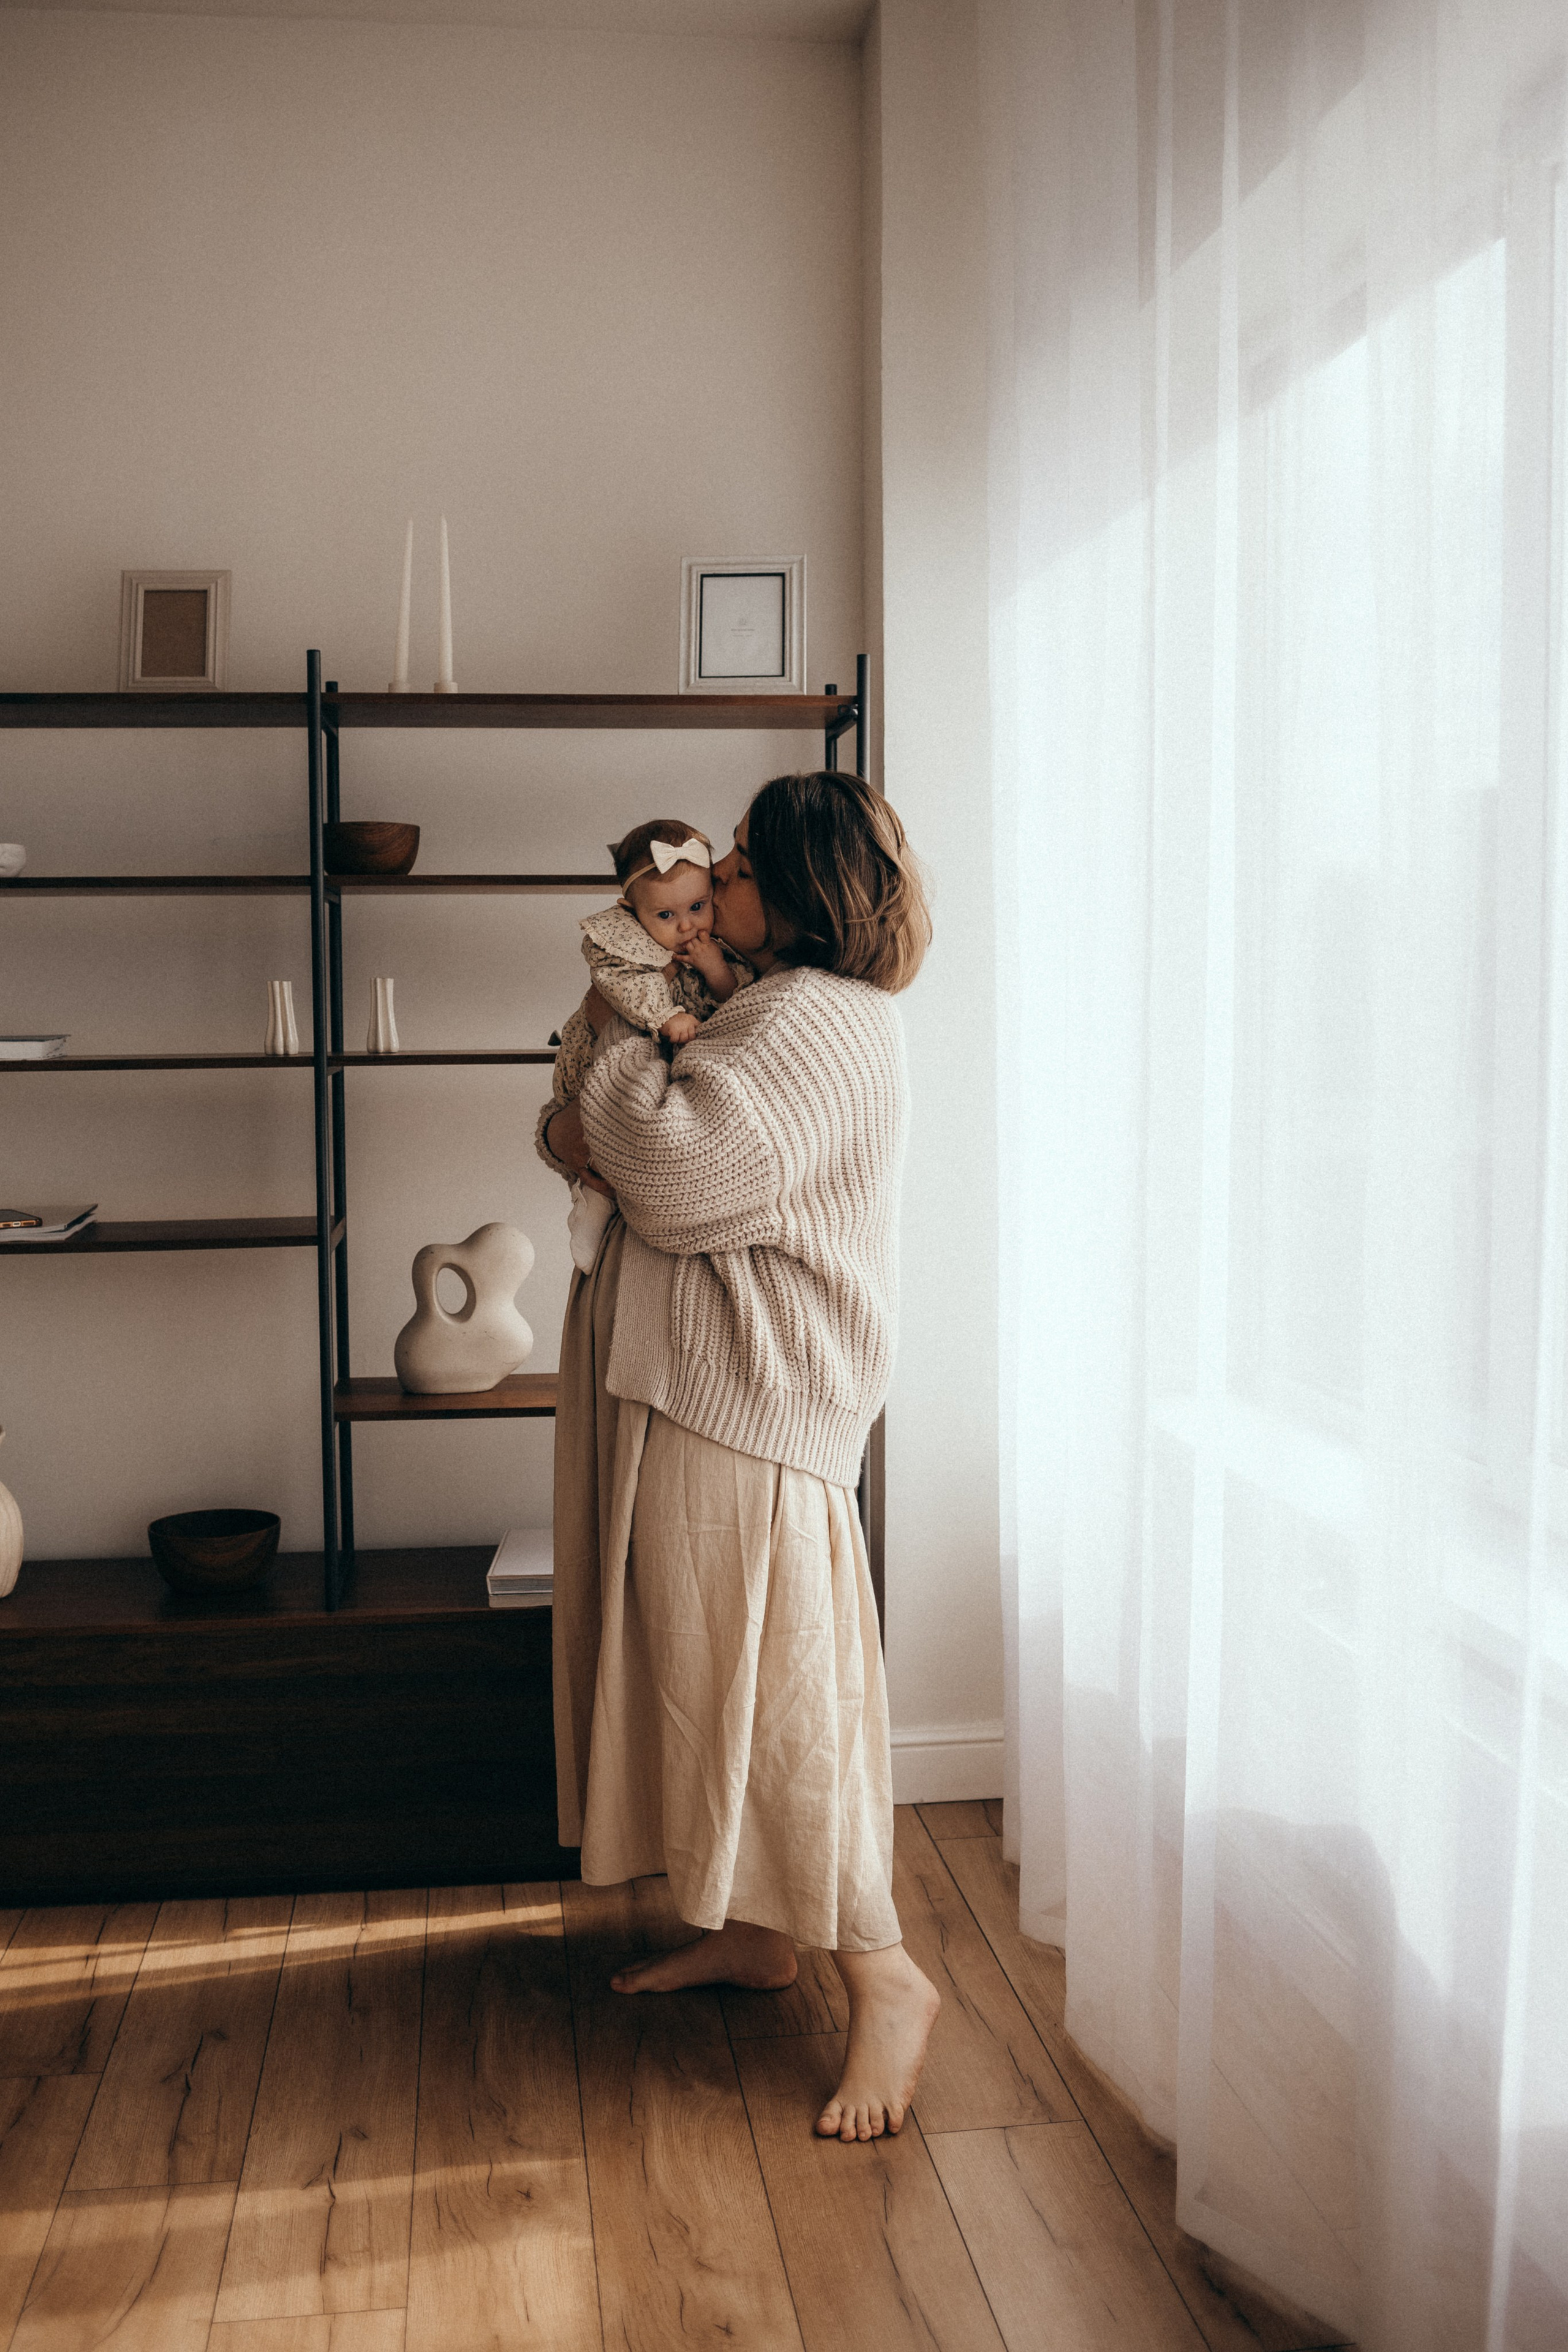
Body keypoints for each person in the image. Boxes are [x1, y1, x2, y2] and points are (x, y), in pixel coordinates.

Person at [537, 768, 939, 2143]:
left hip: (749, 1403)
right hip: (706, 1389)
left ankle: (885, 1978)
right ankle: (759, 1932)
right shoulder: (758, 1010)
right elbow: (602, 1142)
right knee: (707, 1680)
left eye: (749, 868)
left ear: (816, 885)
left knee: (776, 1698)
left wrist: (603, 1044)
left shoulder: (814, 1022)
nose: (718, 892)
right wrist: (613, 1080)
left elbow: (672, 1179)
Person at [549, 818, 749, 1273]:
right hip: (603, 1056)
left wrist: (714, 967)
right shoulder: (622, 942)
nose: (685, 926)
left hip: (664, 1065)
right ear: (631, 911)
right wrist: (663, 1016)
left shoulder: (719, 944)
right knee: (600, 1149)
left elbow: (733, 997)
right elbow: (619, 986)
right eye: (665, 916)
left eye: (698, 906)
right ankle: (591, 1207)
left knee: (630, 1148)